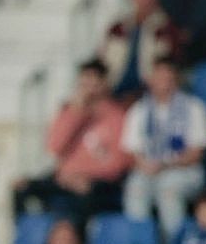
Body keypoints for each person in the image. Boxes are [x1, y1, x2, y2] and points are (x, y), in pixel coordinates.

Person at [13, 59, 131, 219]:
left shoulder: (116, 116)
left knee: (85, 197)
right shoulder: (69, 111)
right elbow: (54, 148)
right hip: (66, 177)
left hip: (99, 181)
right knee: (20, 188)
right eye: (84, 84)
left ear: (104, 84)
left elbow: (119, 162)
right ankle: (27, 238)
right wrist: (76, 113)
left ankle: (78, 241)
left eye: (93, 84)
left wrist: (86, 176)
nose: (88, 90)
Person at [121, 57, 206, 240]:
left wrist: (166, 164)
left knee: (168, 189)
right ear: (150, 79)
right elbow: (133, 151)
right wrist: (146, 166)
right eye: (159, 77)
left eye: (168, 78)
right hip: (149, 169)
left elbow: (196, 153)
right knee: (135, 189)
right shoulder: (140, 110)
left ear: (176, 79)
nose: (163, 83)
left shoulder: (194, 108)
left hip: (183, 170)